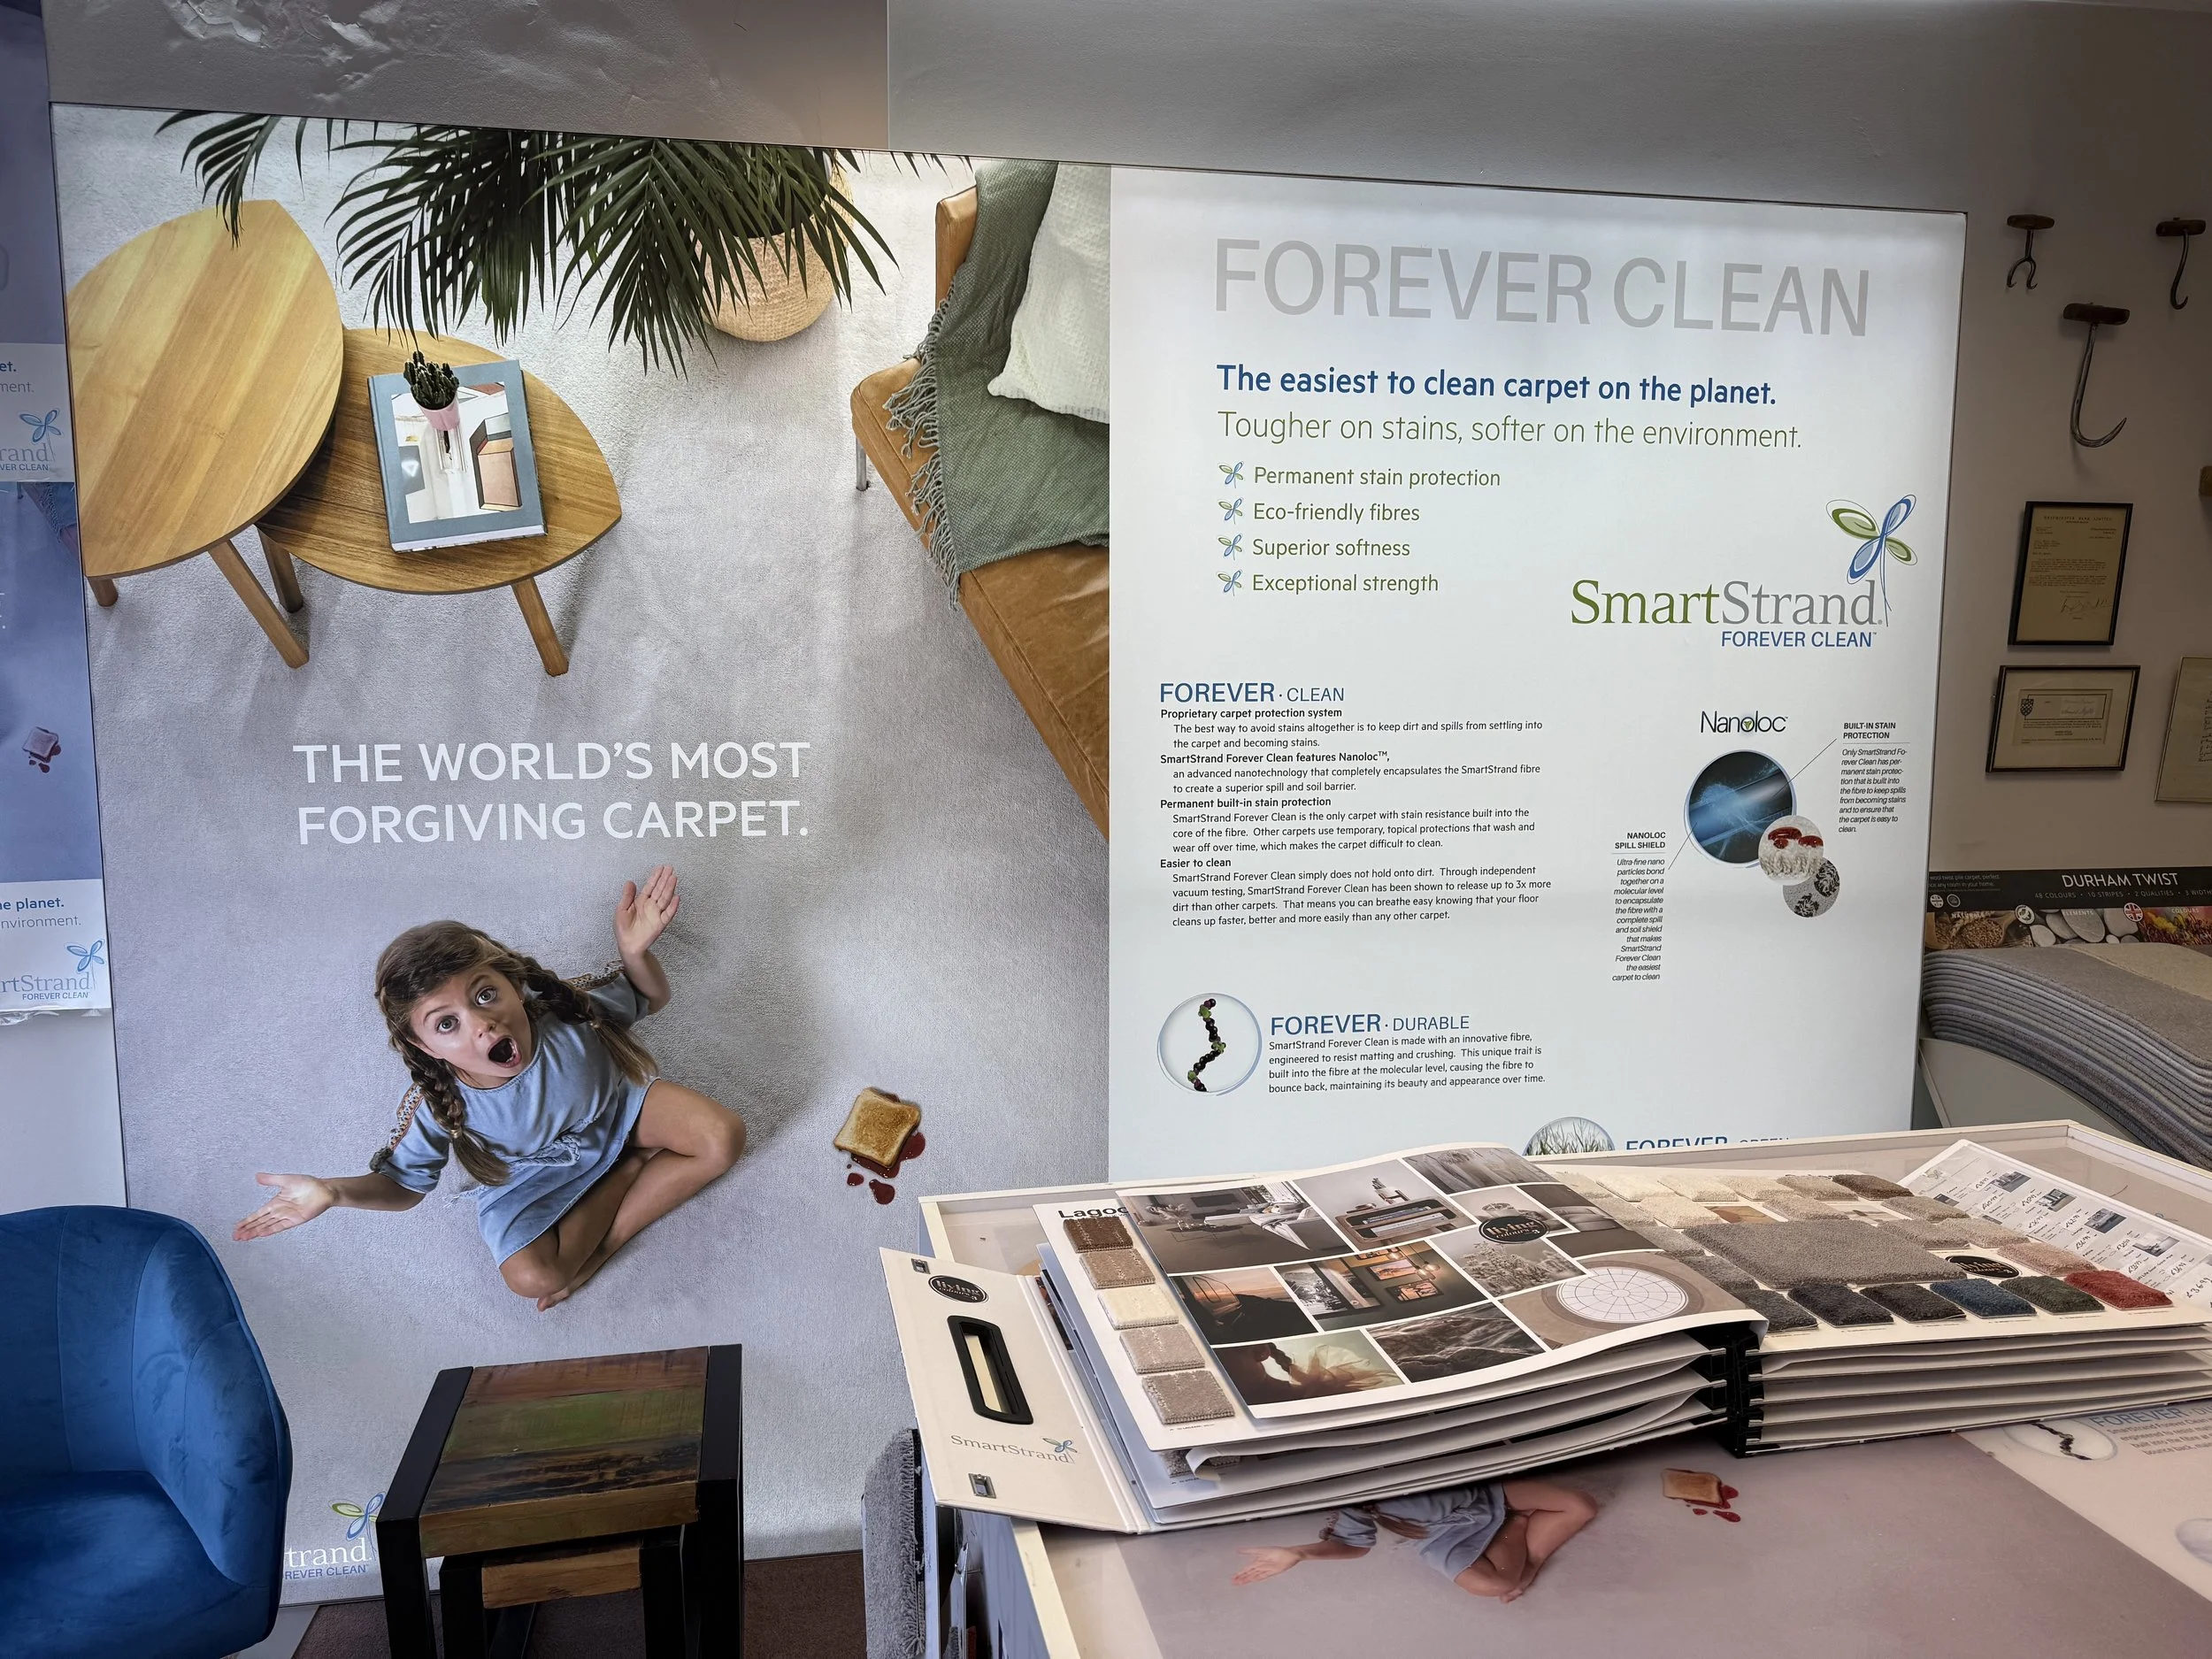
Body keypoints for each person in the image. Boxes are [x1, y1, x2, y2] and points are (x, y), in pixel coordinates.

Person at [234, 864, 746, 1310]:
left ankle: (600, 1241)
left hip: (617, 1113)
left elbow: (648, 997)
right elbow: (405, 1185)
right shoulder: (441, 1105)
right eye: (446, 1024)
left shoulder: (562, 1016)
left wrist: (634, 953)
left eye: (485, 994)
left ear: (515, 986)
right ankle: (626, 1179)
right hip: (534, 1172)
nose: (481, 1024)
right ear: (427, 1048)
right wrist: (333, 1190)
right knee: (533, 1277)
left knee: (722, 1136)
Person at [1230, 1479, 1598, 1603]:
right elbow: (1354, 1545)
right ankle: (1517, 1531)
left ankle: (1524, 1552)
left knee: (1579, 1506)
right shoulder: (1351, 1498)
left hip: (1488, 1494)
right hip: (1442, 1532)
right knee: (1495, 1584)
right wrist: (1299, 1553)